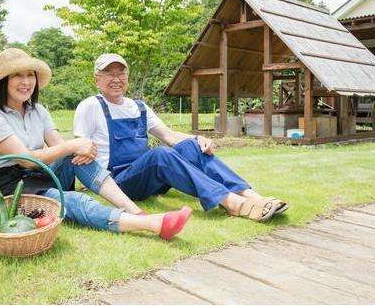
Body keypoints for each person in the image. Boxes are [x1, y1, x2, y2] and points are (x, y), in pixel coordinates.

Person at [0, 48, 191, 240]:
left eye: (30, 75)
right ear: (3, 82)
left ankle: (134, 211)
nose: (26, 82)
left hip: (38, 174)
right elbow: (26, 160)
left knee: (74, 155)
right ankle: (152, 224)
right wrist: (73, 146)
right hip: (5, 185)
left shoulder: (37, 111)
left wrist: (80, 149)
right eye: (17, 76)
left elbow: (61, 150)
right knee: (71, 199)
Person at [73, 53, 289, 222]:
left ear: (127, 77)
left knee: (191, 146)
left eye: (121, 73)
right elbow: (79, 146)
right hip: (119, 183)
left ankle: (251, 195)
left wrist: (196, 139)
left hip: (150, 178)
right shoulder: (91, 106)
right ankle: (231, 202)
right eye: (109, 73)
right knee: (159, 154)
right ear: (97, 79)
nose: (116, 79)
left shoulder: (138, 106)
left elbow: (168, 135)